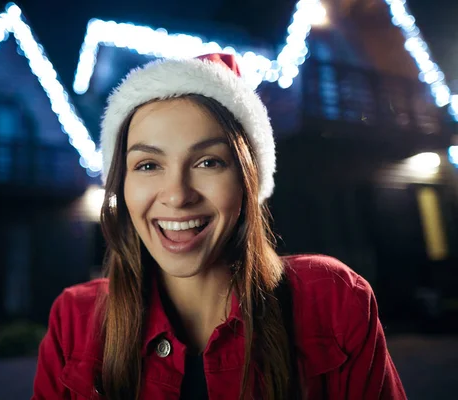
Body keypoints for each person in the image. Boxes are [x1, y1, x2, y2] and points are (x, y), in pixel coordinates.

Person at [32, 53, 406, 399]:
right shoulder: (74, 319)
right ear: (121, 184)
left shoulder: (333, 299)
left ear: (248, 181)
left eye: (208, 162)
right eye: (148, 165)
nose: (177, 195)